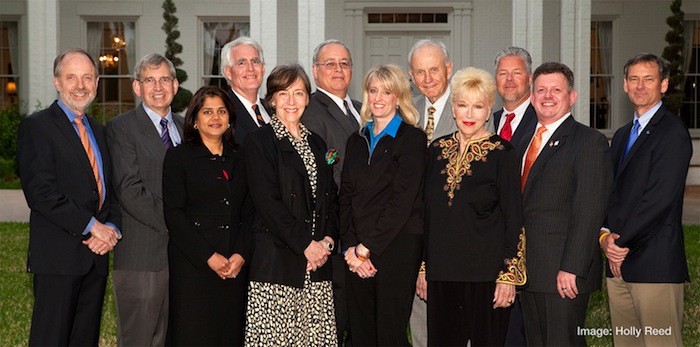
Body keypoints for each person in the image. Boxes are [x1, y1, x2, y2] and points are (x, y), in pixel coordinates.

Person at [17, 48, 121, 346]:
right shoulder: (37, 127)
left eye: (87, 77)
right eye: (71, 77)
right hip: (58, 259)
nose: (80, 85)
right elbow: (40, 193)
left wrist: (111, 228)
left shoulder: (100, 132)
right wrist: (92, 225)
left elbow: (109, 190)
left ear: (97, 83)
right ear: (57, 82)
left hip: (95, 258)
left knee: (84, 340)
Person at [422, 67, 525, 346]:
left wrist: (509, 275)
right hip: (442, 274)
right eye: (462, 105)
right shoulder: (435, 151)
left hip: (487, 276)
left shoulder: (503, 153)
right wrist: (423, 268)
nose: (469, 114)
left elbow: (514, 218)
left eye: (477, 106)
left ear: (488, 108)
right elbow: (426, 215)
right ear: (452, 108)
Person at [601, 53, 692, 346]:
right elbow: (611, 194)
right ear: (625, 85)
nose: (640, 86)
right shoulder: (623, 134)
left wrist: (620, 243)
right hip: (618, 265)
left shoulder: (672, 133)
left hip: (654, 264)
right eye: (634, 79)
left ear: (663, 85)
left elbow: (659, 199)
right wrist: (605, 238)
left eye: (648, 79)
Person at [244, 63, 338, 346]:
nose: (291, 101)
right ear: (271, 99)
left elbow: (330, 198)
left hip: (317, 267)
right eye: (283, 94)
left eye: (298, 93)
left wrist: (327, 242)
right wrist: (306, 246)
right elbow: (267, 204)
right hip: (277, 266)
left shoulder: (318, 144)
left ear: (308, 98)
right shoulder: (260, 142)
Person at [519, 62, 612, 346]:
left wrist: (572, 267)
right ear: (532, 97)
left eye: (556, 90)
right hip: (527, 270)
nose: (548, 96)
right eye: (541, 90)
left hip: (562, 273)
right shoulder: (524, 139)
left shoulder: (589, 142)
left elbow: (589, 210)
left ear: (572, 97)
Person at [340, 64, 426, 346]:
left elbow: (402, 201)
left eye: (386, 92)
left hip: (396, 248)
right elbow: (346, 198)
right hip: (357, 252)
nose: (378, 97)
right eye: (373, 90)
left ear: (398, 97)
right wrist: (352, 249)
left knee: (389, 333)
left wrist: (367, 249)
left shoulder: (412, 139)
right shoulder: (356, 140)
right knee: (361, 333)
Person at [162, 86, 252, 346]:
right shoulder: (179, 157)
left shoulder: (242, 156)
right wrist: (209, 257)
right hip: (194, 267)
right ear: (195, 119)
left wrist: (241, 254)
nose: (215, 117)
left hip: (234, 266)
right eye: (207, 111)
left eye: (221, 111)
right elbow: (174, 215)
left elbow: (251, 212)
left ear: (229, 118)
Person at [106, 53, 181, 347]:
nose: (158, 86)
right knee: (139, 339)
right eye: (149, 80)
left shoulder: (187, 127)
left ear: (175, 85)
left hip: (181, 257)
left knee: (169, 336)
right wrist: (181, 222)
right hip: (141, 255)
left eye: (164, 79)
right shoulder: (121, 128)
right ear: (137, 88)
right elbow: (129, 189)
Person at [301, 39, 361, 346]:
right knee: (334, 325)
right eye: (330, 63)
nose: (338, 69)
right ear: (315, 71)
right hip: (334, 235)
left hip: (364, 235)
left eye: (345, 63)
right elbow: (322, 177)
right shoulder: (310, 111)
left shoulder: (362, 109)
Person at [406, 39, 457, 346]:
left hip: (455, 235)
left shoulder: (469, 107)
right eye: (420, 71)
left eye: (434, 69)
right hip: (414, 233)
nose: (427, 78)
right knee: (420, 321)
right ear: (411, 75)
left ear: (448, 69)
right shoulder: (406, 110)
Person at [492, 46, 537, 347]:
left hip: (530, 250)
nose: (509, 80)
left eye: (516, 73)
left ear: (530, 78)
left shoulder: (543, 120)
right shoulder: (486, 120)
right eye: (502, 73)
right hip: (487, 247)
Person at [221, 36, 271, 145]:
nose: (250, 68)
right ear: (228, 72)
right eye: (241, 63)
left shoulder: (273, 110)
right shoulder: (223, 113)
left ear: (263, 69)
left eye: (255, 61)